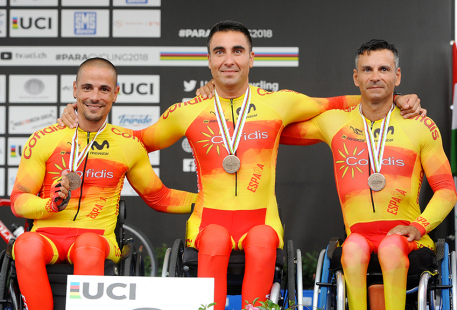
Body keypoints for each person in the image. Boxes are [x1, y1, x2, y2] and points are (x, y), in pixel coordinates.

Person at [58, 22, 422, 310]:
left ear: (252, 58)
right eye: (219, 51)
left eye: (237, 51)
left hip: (261, 219)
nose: (228, 59)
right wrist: (87, 116)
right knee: (214, 239)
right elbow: (136, 141)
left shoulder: (280, 103)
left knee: (264, 241)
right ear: (209, 60)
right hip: (209, 219)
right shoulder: (188, 111)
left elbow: (337, 102)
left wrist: (395, 98)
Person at [280, 39, 457, 310]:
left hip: (407, 238)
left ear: (397, 76)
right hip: (357, 237)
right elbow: (275, 129)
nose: (375, 76)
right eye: (367, 70)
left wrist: (417, 226)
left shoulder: (421, 125)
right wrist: (217, 99)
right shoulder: (335, 121)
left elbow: (446, 188)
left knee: (390, 248)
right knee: (351, 249)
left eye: (384, 70)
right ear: (355, 77)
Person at [10, 58, 197, 310]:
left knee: (89, 247)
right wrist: (49, 205)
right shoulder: (43, 139)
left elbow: (159, 197)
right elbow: (19, 200)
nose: (94, 96)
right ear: (75, 89)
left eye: (104, 89)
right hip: (46, 235)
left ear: (116, 94)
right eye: (87, 88)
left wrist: (207, 201)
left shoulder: (128, 143)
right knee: (25, 245)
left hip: (96, 237)